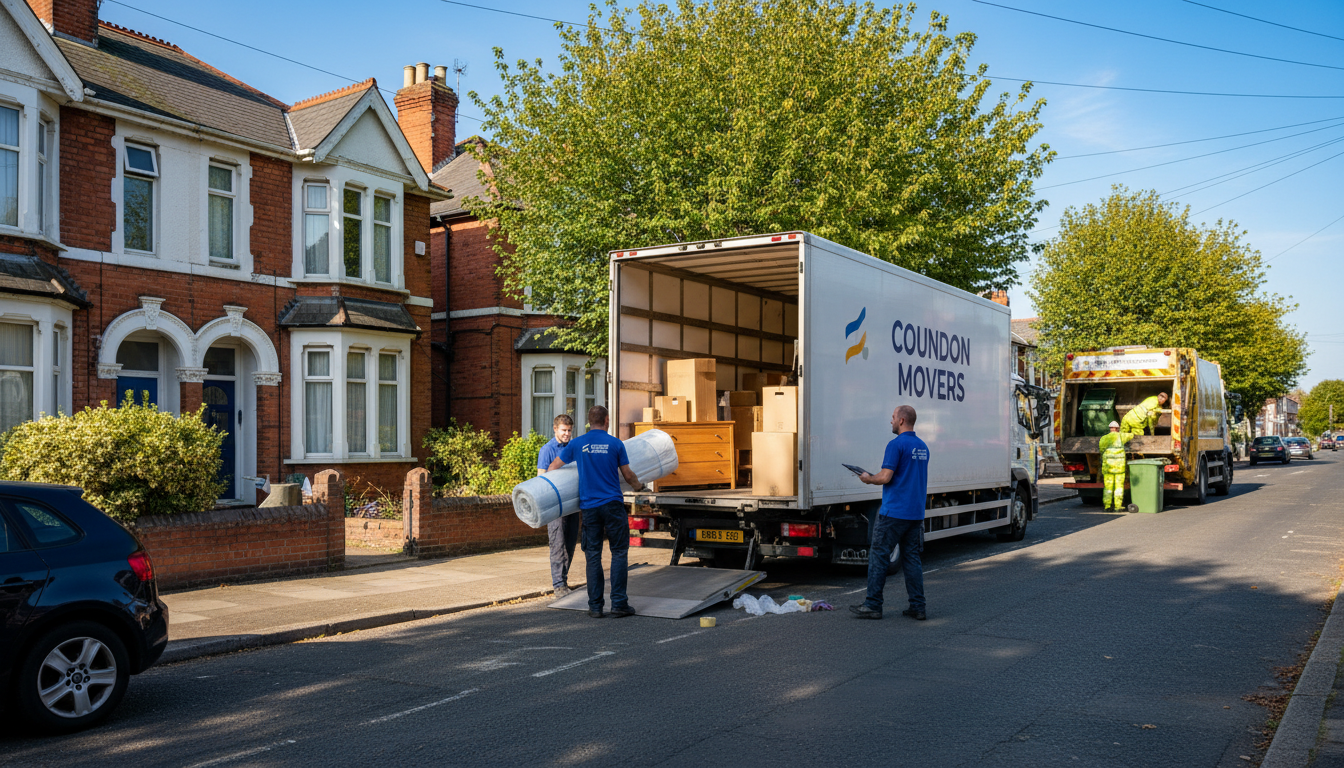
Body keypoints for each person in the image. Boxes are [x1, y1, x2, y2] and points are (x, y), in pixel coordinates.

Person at [549, 405, 646, 618]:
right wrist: (640, 487)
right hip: (612, 505)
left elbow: (553, 468)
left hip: (590, 507)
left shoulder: (577, 443)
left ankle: (595, 606)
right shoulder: (615, 443)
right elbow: (628, 475)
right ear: (607, 420)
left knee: (593, 555)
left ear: (588, 421)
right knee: (619, 552)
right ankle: (619, 604)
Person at [851, 405, 930, 621]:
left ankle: (873, 605)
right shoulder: (922, 447)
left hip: (894, 512)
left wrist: (868, 478)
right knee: (912, 559)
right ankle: (918, 606)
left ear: (902, 420)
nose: (891, 421)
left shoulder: (896, 445)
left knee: (879, 556)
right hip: (915, 514)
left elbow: (885, 477)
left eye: (893, 417)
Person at [538, 414, 580, 597]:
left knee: (570, 544)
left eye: (569, 430)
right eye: (564, 430)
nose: (567, 434)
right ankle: (558, 585)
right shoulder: (547, 450)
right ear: (555, 429)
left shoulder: (573, 448)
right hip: (556, 506)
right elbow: (541, 479)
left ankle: (564, 580)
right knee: (558, 544)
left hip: (572, 504)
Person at [1098, 420, 1133, 512]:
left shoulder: (1104, 438)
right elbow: (1131, 435)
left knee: (1108, 487)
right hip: (1119, 468)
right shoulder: (1121, 436)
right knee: (1119, 487)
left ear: (1110, 428)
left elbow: (1101, 450)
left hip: (1108, 468)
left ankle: (1107, 505)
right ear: (1117, 429)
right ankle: (1118, 506)